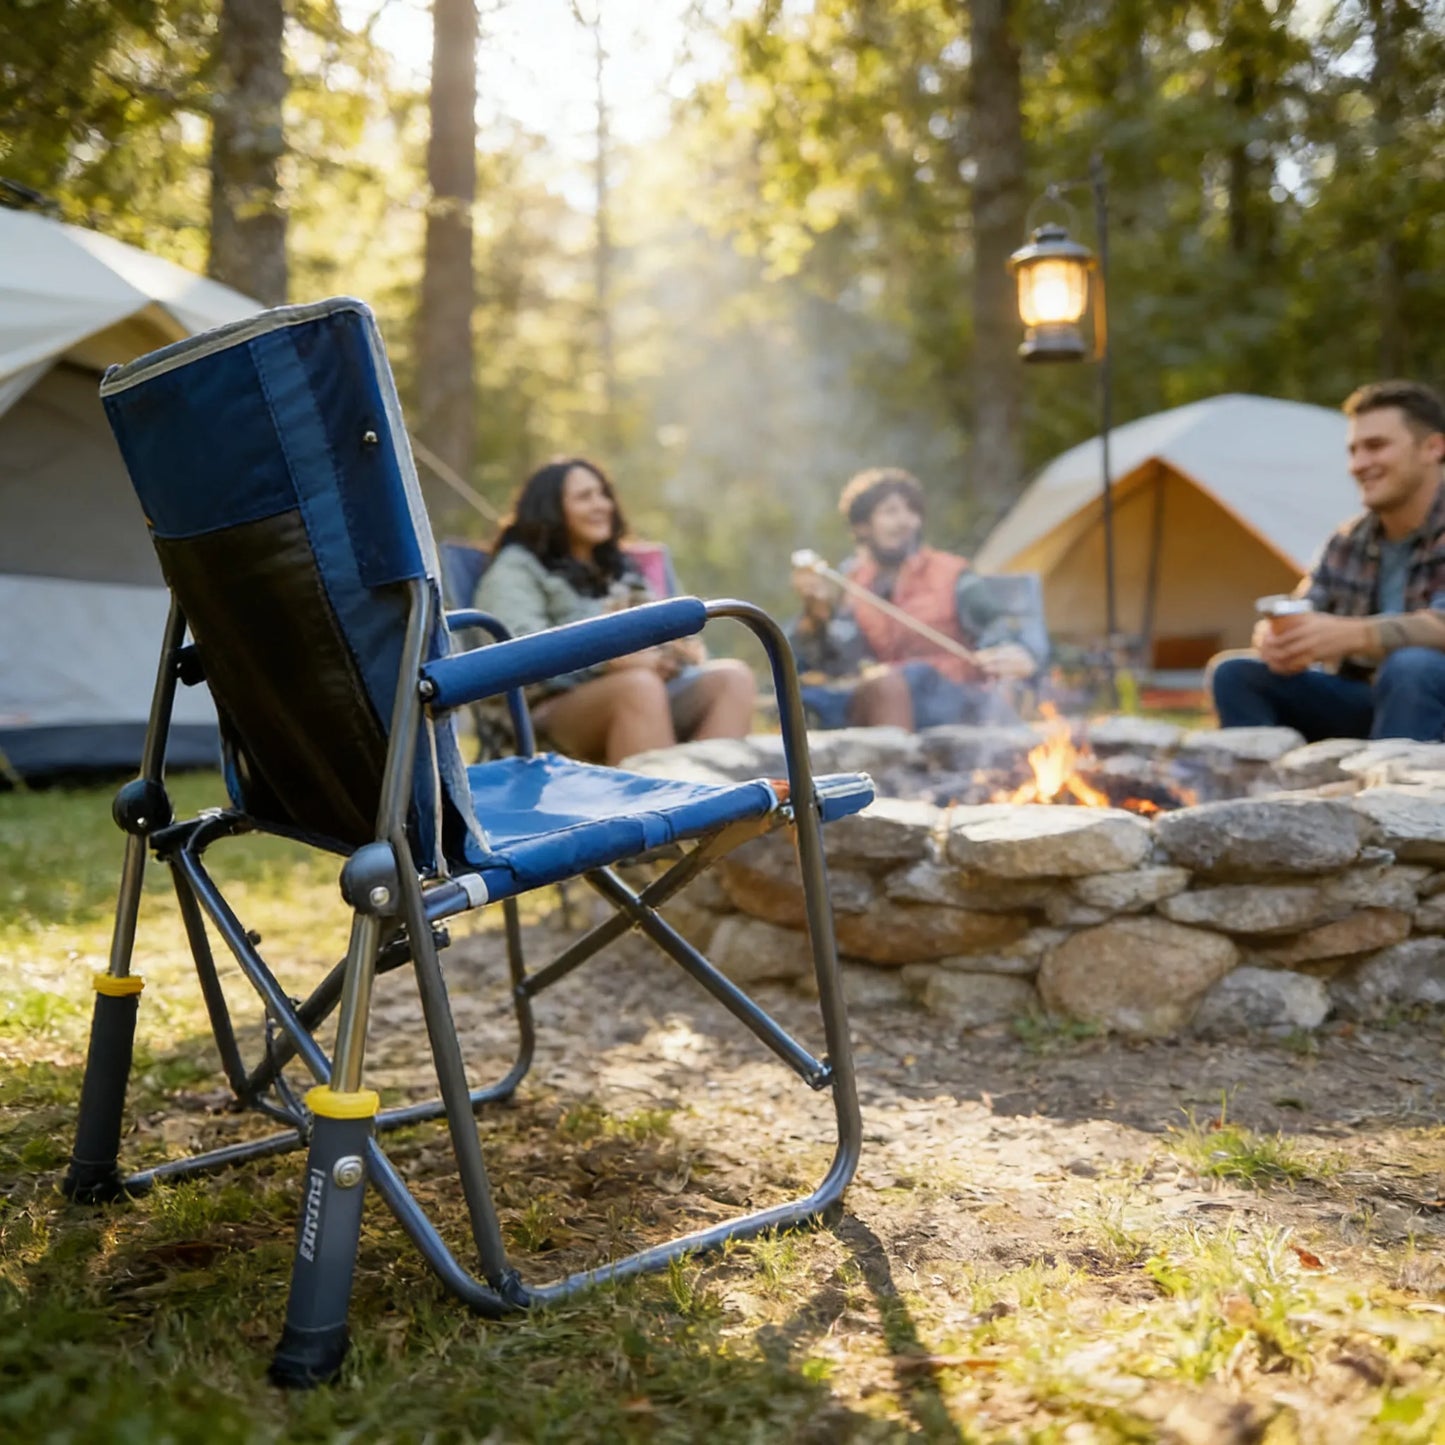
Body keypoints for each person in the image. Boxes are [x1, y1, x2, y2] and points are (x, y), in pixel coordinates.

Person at [474, 457, 756, 765]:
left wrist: (672, 655)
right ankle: (667, 804)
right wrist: (606, 663)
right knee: (637, 686)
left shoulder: (620, 568)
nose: (602, 505)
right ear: (550, 509)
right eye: (585, 497)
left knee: (733, 679)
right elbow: (520, 654)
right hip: (544, 714)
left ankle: (716, 806)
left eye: (603, 493)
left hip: (646, 693)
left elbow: (660, 633)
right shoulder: (515, 568)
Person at [1210, 380, 1445, 743]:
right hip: (1369, 702)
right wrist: (1280, 641)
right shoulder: (1349, 541)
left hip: (1428, 698)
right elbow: (1305, 611)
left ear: (1433, 447)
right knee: (1234, 674)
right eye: (1353, 451)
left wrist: (1355, 634)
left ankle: (1394, 799)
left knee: (1411, 667)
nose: (1359, 464)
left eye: (1376, 446)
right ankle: (1269, 795)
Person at [787, 467, 1046, 730]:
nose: (906, 521)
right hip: (880, 698)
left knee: (895, 682)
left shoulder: (952, 574)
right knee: (821, 698)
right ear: (862, 526)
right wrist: (815, 612)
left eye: (912, 511)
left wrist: (1016, 652)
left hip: (951, 700)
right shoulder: (851, 582)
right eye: (891, 511)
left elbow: (999, 628)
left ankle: (887, 765)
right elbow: (829, 662)